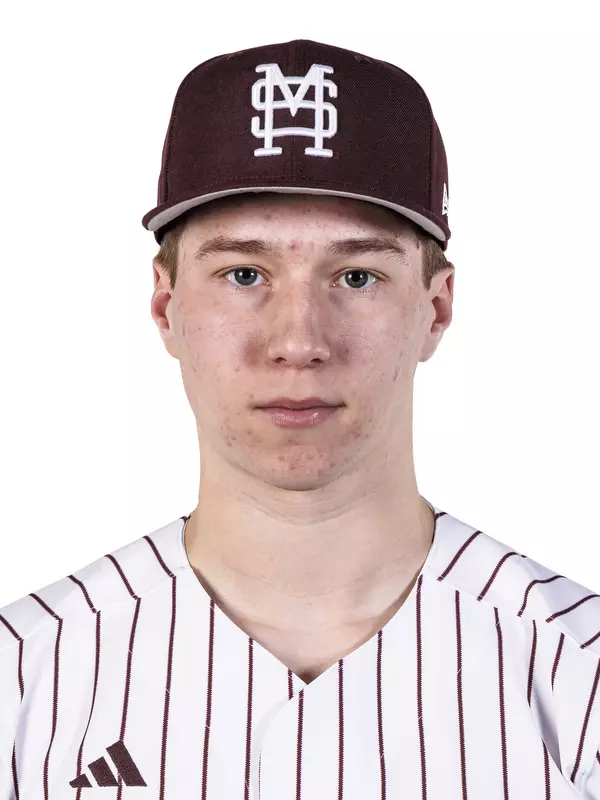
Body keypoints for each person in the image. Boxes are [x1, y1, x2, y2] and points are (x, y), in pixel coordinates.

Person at [0, 38, 598, 800]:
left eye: (357, 276)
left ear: (436, 308)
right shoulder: (23, 678)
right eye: (243, 274)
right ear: (166, 305)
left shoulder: (579, 675)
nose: (298, 341)